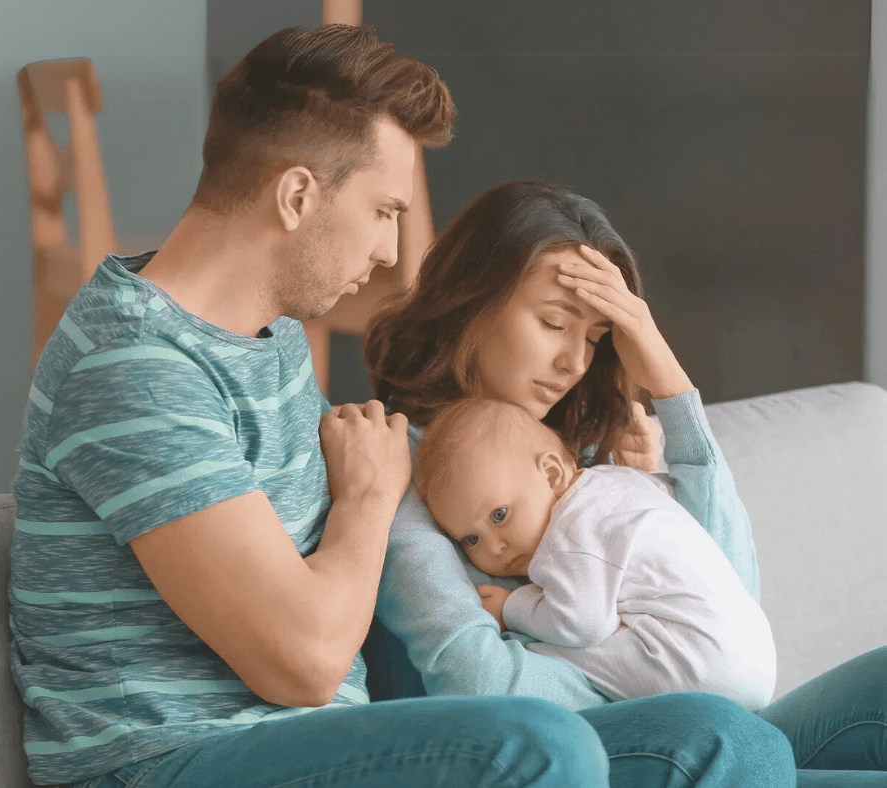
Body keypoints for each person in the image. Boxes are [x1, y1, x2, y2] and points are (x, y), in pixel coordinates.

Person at [9, 26, 617, 788]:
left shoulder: (275, 337)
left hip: (320, 747)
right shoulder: (132, 363)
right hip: (164, 763)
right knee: (544, 749)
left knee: (716, 737)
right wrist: (364, 496)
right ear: (298, 196)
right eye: (385, 210)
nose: (392, 251)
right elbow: (304, 661)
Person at [364, 180, 887, 787]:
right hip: (590, 750)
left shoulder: (577, 468)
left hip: (711, 739)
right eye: (554, 322)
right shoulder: (403, 468)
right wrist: (642, 679)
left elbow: (731, 612)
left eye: (594, 338)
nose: (575, 363)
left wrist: (672, 397)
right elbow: (479, 679)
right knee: (734, 741)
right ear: (468, 302)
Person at [414, 396, 777, 710]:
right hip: (755, 652)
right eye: (469, 540)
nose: (493, 547)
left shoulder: (570, 527)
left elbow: (580, 623)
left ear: (552, 474)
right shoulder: (617, 483)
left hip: (704, 667)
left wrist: (512, 608)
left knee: (545, 647)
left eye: (499, 515)